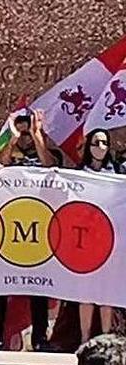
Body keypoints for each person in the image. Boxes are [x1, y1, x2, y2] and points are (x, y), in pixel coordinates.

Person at [0, 109, 54, 351]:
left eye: (28, 132)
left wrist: (37, 136)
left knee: (39, 285)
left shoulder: (45, 151)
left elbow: (50, 164)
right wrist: (12, 139)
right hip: (7, 226)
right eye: (22, 132)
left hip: (39, 227)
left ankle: (39, 338)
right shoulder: (8, 153)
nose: (25, 137)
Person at [78, 128, 116, 344]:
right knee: (86, 292)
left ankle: (105, 338)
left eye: (104, 143)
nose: (100, 147)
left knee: (107, 294)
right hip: (85, 241)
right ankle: (85, 339)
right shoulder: (79, 173)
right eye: (95, 143)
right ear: (88, 147)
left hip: (111, 241)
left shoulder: (118, 174)